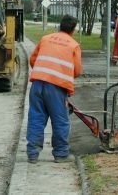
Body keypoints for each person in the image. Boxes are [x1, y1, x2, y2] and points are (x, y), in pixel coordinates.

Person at [26, 14, 83, 164]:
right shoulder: (73, 45)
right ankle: (60, 154)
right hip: (56, 88)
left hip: (37, 84)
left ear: (60, 26)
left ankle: (32, 154)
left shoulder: (45, 39)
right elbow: (77, 71)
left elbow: (32, 59)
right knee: (60, 120)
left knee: (36, 118)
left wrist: (43, 71)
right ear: (73, 30)